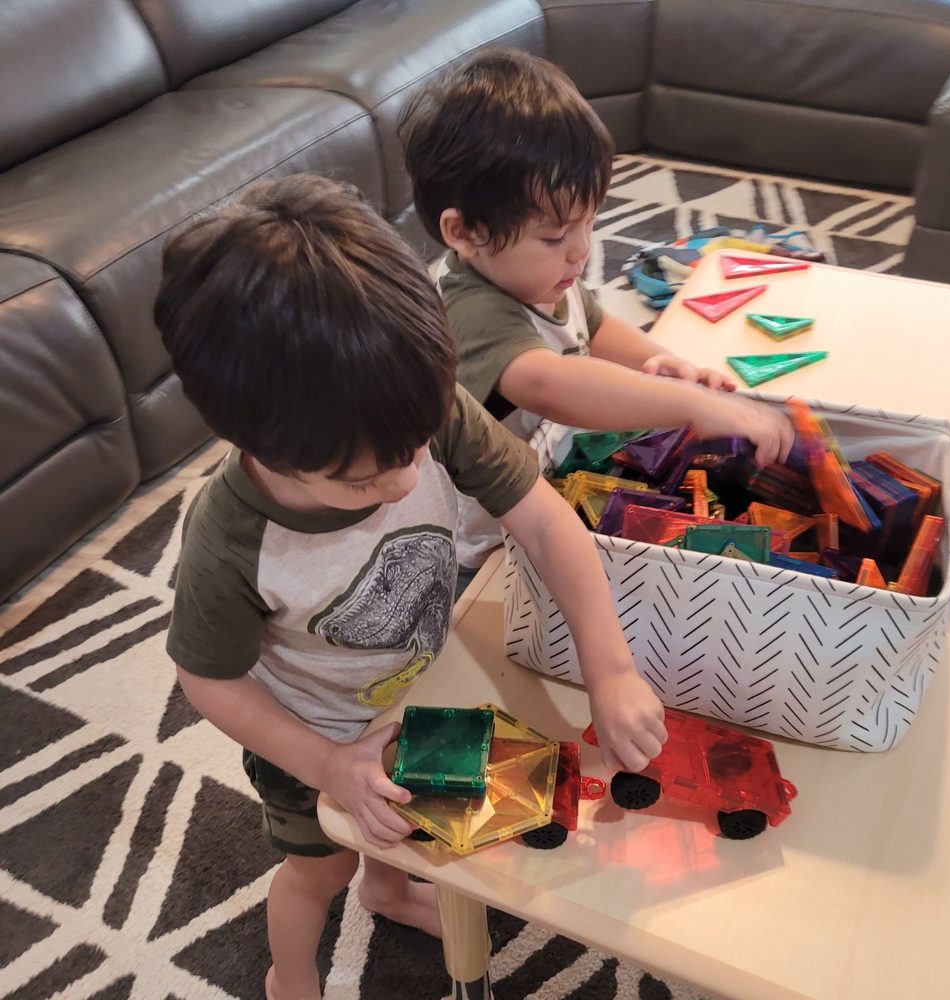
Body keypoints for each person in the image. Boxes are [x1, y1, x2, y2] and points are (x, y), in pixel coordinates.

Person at [157, 174, 668, 1000]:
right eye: (361, 481)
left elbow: (544, 520)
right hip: (310, 736)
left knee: (407, 831)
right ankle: (288, 974)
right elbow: (207, 678)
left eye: (414, 454)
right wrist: (326, 762)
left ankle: (386, 889)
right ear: (256, 443)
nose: (402, 484)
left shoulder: (416, 409)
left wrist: (609, 668)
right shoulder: (230, 544)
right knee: (313, 872)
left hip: (416, 687)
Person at [400, 48, 794, 567]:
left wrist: (664, 364)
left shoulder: (537, 278)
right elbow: (550, 384)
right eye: (556, 234)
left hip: (550, 491)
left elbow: (596, 324)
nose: (582, 250)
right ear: (465, 232)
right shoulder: (469, 312)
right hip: (490, 546)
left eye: (590, 221)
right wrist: (693, 406)